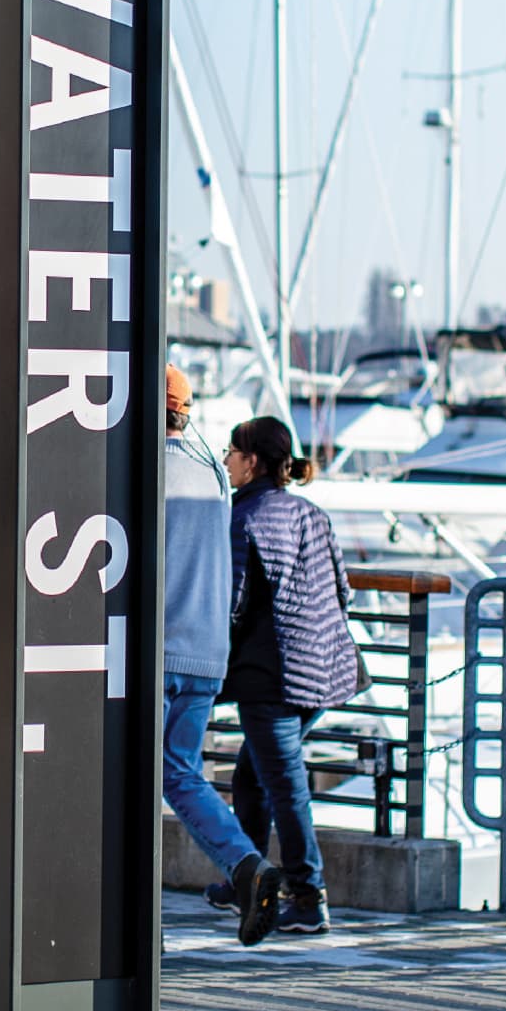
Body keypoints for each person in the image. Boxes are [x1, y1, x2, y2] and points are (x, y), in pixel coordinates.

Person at [222, 413, 362, 937]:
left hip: (271, 675)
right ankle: (246, 877)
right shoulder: (312, 514)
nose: (228, 460)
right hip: (324, 670)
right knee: (251, 778)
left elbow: (233, 603)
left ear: (252, 461)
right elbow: (344, 590)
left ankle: (307, 895)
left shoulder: (244, 518)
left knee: (283, 786)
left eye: (233, 452)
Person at [157, 366, 277, 943]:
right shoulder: (210, 465)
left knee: (125, 774)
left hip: (157, 649)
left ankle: (101, 910)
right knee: (178, 774)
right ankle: (246, 865)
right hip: (207, 650)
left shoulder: (146, 466)